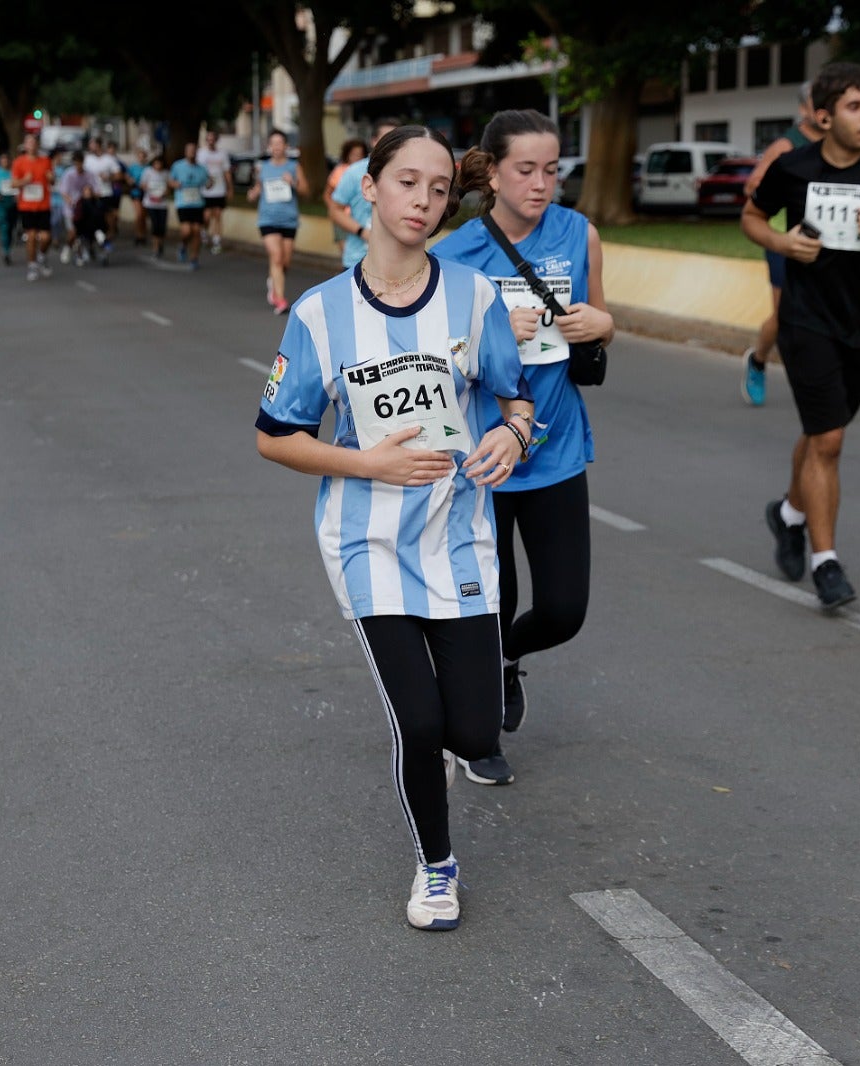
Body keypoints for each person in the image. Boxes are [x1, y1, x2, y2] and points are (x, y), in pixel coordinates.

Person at [255, 125, 532, 931]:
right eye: (406, 182)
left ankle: (444, 754)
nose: (422, 200)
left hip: (460, 540)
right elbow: (275, 436)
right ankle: (437, 867)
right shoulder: (319, 314)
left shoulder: (473, 298)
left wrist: (511, 435)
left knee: (473, 731)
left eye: (439, 188)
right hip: (367, 545)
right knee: (417, 722)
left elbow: (519, 400)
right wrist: (367, 465)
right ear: (367, 190)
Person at [434, 109, 612, 785]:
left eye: (552, 169)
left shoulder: (578, 234)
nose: (541, 184)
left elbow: (596, 327)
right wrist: (490, 336)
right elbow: (432, 361)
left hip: (557, 446)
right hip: (484, 454)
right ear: (493, 171)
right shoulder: (453, 256)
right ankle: (478, 739)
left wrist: (605, 322)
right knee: (490, 598)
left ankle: (497, 658)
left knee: (565, 608)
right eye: (526, 170)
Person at [741, 62, 860, 610]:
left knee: (823, 428)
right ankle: (827, 563)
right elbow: (752, 217)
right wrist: (782, 245)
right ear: (823, 117)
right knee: (829, 440)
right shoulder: (794, 167)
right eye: (855, 106)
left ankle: (788, 515)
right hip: (806, 319)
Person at [741, 82, 822, 407]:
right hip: (782, 239)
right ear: (804, 109)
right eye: (819, 102)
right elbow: (753, 186)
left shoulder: (838, 144)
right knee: (785, 312)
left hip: (821, 241)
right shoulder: (787, 146)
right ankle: (759, 360)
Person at [249, 129, 308, 314]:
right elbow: (256, 189)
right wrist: (253, 193)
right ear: (269, 146)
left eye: (280, 143)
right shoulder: (263, 167)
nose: (276, 147)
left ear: (286, 146)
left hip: (289, 219)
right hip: (267, 218)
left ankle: (273, 281)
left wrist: (293, 182)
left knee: (285, 263)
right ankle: (280, 300)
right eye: (273, 143)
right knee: (276, 256)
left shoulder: (293, 166)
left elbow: (306, 191)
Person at [328, 118, 400, 268]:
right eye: (386, 138)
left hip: (396, 262)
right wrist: (363, 232)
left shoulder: (408, 175)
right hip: (358, 260)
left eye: (397, 140)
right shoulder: (354, 172)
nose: (392, 144)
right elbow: (335, 210)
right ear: (374, 141)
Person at [10, 134, 55, 282]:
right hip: (27, 205)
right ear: (25, 145)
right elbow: (13, 184)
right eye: (28, 142)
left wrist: (51, 178)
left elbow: (53, 180)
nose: (31, 145)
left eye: (34, 142)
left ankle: (42, 256)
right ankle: (32, 265)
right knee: (31, 236)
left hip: (43, 204)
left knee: (45, 237)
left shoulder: (46, 161)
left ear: (37, 145)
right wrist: (25, 181)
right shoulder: (19, 162)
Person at [168, 141, 211, 267]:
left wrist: (210, 183)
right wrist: (175, 184)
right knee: (187, 231)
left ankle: (194, 258)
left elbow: (207, 183)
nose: (192, 152)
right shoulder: (178, 166)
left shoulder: (202, 168)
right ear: (185, 152)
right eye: (189, 150)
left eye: (194, 150)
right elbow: (170, 181)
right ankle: (183, 245)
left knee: (197, 231)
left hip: (198, 203)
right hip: (183, 203)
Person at [326, 137, 367, 258]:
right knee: (347, 254)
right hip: (343, 219)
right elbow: (328, 194)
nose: (357, 158)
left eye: (360, 155)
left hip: (359, 220)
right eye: (354, 154)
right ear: (347, 155)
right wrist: (334, 210)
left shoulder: (367, 170)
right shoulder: (340, 171)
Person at [195, 129, 231, 253]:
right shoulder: (201, 153)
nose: (211, 142)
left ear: (216, 140)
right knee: (206, 216)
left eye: (213, 139)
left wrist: (229, 187)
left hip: (219, 189)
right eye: (208, 139)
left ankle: (217, 241)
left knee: (218, 215)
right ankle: (204, 233)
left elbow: (227, 171)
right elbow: (198, 170)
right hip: (206, 190)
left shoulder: (222, 154)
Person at [138, 154, 171, 259]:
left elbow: (169, 187)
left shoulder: (166, 174)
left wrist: (164, 193)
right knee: (155, 225)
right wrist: (149, 188)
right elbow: (142, 184)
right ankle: (155, 247)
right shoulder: (148, 172)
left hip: (162, 204)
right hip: (151, 203)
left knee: (162, 226)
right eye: (156, 163)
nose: (158, 165)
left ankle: (160, 243)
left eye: (160, 163)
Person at [0, 151, 18, 266]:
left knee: (11, 228)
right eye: (3, 159)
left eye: (7, 159)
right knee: (4, 227)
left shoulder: (14, 172)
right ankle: (5, 252)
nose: (5, 162)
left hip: (12, 202)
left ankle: (8, 248)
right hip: (1, 202)